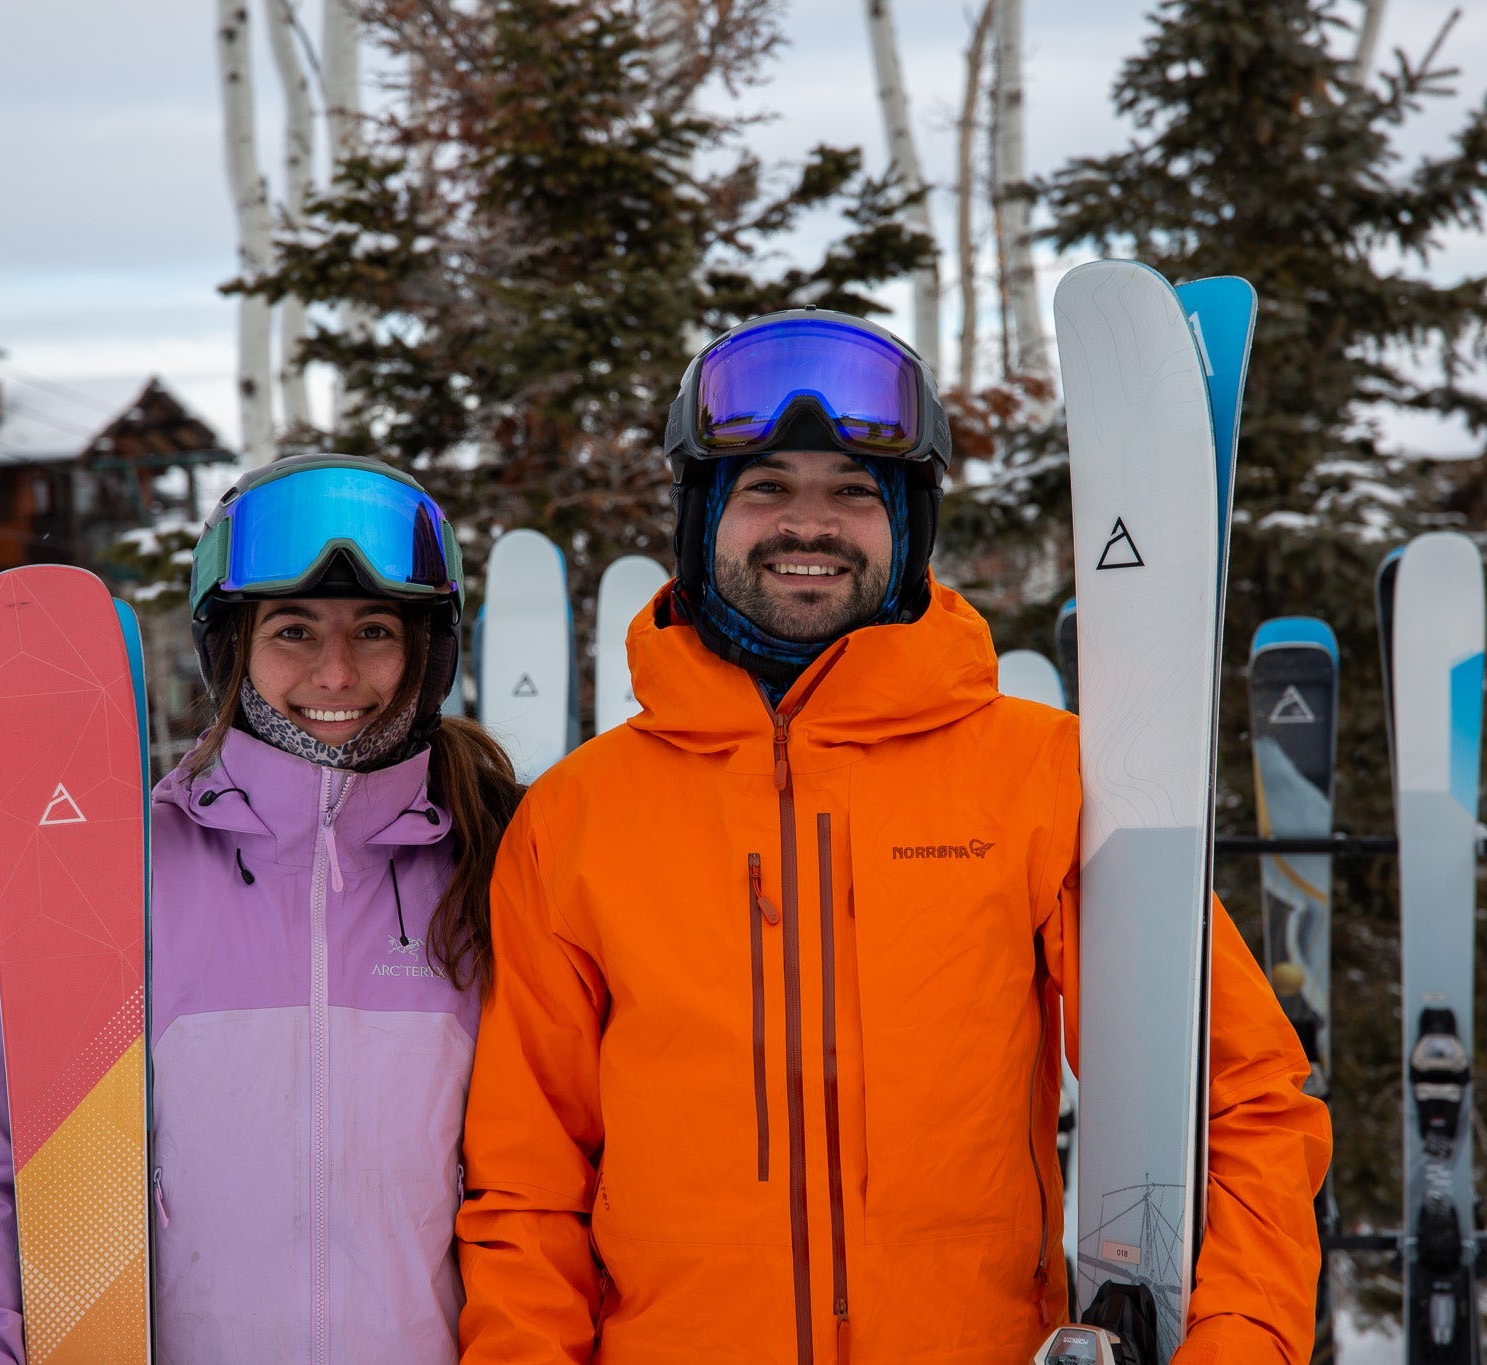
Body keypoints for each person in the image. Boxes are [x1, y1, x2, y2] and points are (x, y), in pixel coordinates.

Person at [456, 311, 1331, 1363]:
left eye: (853, 492)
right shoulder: (578, 817)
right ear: (701, 517)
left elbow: (1238, 1101)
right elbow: (525, 1186)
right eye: (766, 487)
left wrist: (1235, 1341)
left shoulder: (1042, 778)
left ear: (907, 523)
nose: (808, 525)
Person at [0, 455, 524, 1363]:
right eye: (291, 630)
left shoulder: (491, 870)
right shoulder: (121, 872)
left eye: (375, 629)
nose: (337, 670)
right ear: (230, 646)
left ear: (428, 651)